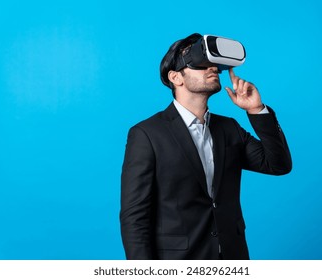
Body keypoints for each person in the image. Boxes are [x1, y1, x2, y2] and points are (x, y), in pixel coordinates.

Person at [120, 33, 292, 260]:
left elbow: (277, 164)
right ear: (176, 77)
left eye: (214, 65)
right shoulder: (147, 134)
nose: (212, 69)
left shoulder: (229, 128)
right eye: (200, 64)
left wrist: (256, 110)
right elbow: (135, 216)